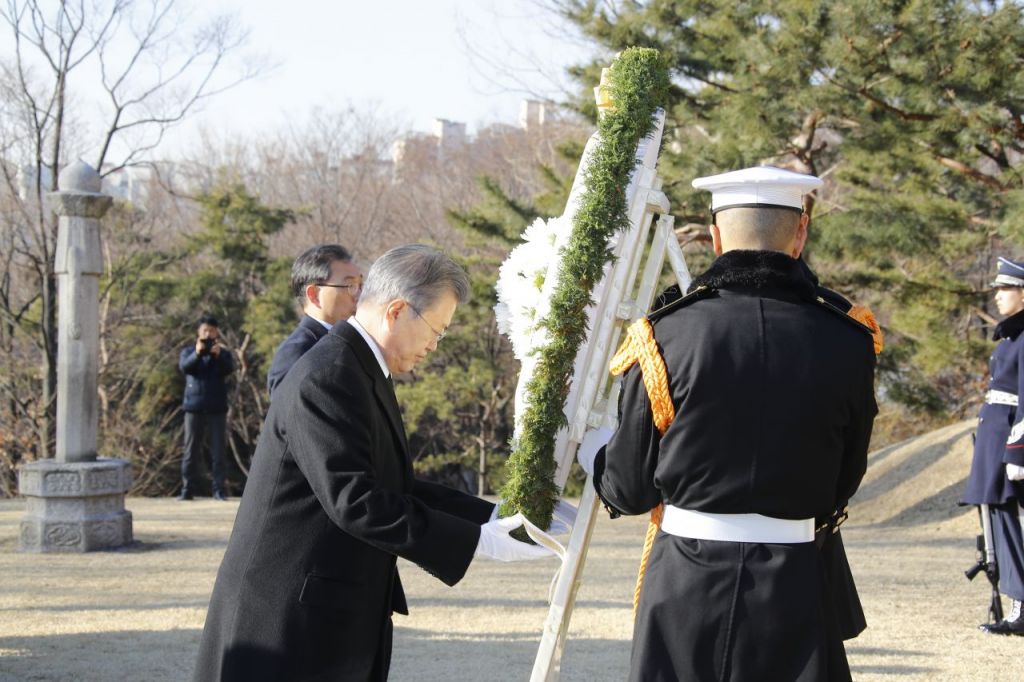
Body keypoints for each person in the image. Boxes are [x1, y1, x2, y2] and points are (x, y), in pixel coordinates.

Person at [193, 244, 569, 682]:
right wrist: (479, 541)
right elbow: (355, 499)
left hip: (322, 616)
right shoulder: (329, 374)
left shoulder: (360, 366)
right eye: (436, 330)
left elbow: (395, 483)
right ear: (397, 311)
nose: (435, 345)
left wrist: (495, 516)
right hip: (284, 626)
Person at [577, 166, 877, 681]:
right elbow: (844, 481)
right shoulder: (849, 339)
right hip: (797, 582)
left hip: (684, 583)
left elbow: (628, 488)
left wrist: (593, 453)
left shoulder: (663, 335)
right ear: (800, 233)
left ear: (715, 237)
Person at [963, 257, 1024, 635]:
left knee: (1006, 518)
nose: (998, 296)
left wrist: (1018, 451)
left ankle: (1020, 606)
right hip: (996, 437)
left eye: (1006, 288)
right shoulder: (1011, 336)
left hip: (1009, 442)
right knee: (999, 519)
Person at [266, 244, 363, 395]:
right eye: (350, 285)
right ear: (314, 295)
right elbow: (287, 409)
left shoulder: (355, 342)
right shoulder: (297, 352)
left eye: (361, 285)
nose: (360, 295)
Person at [178, 315, 235, 501]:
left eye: (211, 330)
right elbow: (185, 368)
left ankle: (219, 490)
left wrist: (218, 356)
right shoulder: (188, 351)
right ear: (198, 332)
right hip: (193, 407)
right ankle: (187, 489)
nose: (208, 334)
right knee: (190, 450)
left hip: (217, 407)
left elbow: (229, 369)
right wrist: (197, 353)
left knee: (218, 452)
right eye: (205, 330)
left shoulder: (222, 353)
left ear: (217, 332)